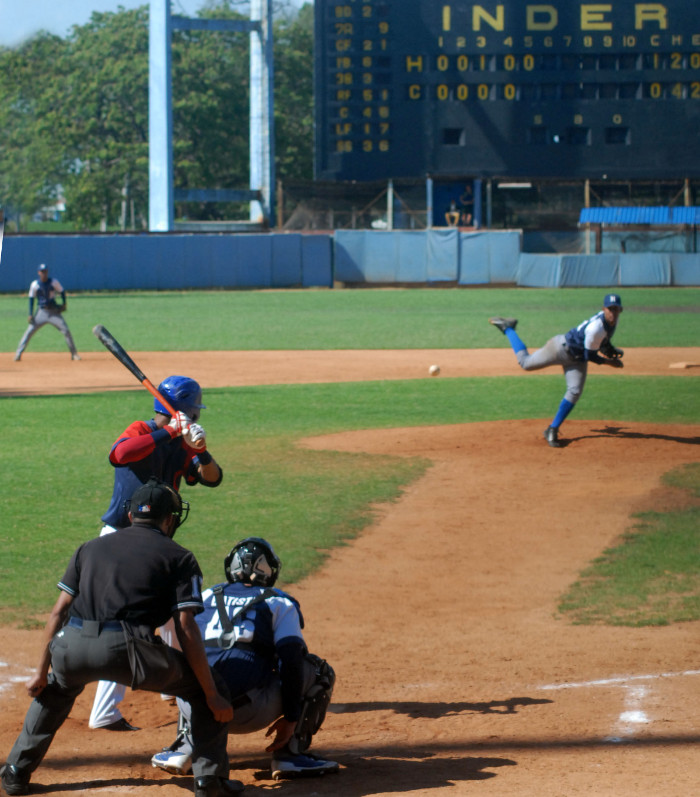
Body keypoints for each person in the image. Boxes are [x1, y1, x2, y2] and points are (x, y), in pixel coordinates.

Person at [0, 478, 242, 797]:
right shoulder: (179, 556)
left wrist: (40, 673)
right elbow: (185, 627)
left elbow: (58, 612)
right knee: (206, 687)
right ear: (170, 519)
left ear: (131, 516)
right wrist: (211, 692)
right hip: (130, 652)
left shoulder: (88, 548)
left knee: (55, 688)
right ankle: (210, 781)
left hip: (72, 646)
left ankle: (16, 772)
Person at [91, 375, 223, 731]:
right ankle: (104, 713)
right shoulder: (141, 430)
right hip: (120, 539)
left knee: (172, 618)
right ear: (187, 409)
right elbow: (119, 454)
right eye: (195, 412)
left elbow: (213, 478)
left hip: (154, 543)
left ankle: (174, 688)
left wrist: (201, 449)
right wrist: (168, 432)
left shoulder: (183, 444)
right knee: (130, 618)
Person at [150, 537, 339, 781]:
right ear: (270, 570)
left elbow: (182, 644)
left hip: (196, 709)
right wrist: (291, 717)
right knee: (318, 670)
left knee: (196, 663)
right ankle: (289, 753)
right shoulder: (278, 601)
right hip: (248, 713)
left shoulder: (206, 596)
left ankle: (185, 748)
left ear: (231, 567)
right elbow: (291, 662)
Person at [489, 293, 624, 448]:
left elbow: (602, 342)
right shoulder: (596, 328)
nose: (613, 312)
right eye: (610, 309)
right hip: (560, 349)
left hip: (577, 360)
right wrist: (609, 362)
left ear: (620, 310)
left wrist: (611, 349)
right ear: (604, 309)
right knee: (525, 363)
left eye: (616, 309)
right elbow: (590, 355)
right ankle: (508, 328)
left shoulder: (613, 322)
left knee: (574, 391)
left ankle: (552, 429)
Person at [14, 263, 81, 361]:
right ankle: (18, 354)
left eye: (45, 271)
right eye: (42, 272)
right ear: (38, 273)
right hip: (41, 312)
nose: (44, 273)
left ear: (47, 272)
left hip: (54, 312)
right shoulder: (35, 284)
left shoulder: (54, 282)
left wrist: (64, 304)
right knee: (29, 332)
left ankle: (74, 354)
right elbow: (31, 299)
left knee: (66, 330)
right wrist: (30, 314)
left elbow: (62, 292)